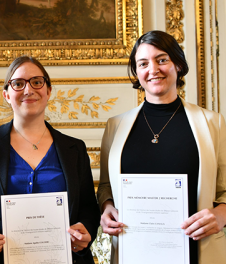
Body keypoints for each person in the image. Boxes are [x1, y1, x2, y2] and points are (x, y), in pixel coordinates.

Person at [97, 30, 226, 264]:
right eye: (143, 63)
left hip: (198, 252)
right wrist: (106, 208)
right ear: (137, 73)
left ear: (177, 64)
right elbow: (106, 186)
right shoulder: (115, 126)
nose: (153, 69)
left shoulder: (212, 122)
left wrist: (221, 214)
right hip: (132, 252)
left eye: (162, 59)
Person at [0, 56, 100, 264]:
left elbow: (88, 207)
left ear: (49, 91)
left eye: (37, 82)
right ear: (6, 95)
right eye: (18, 84)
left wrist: (85, 230)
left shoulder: (75, 148)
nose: (28, 90)